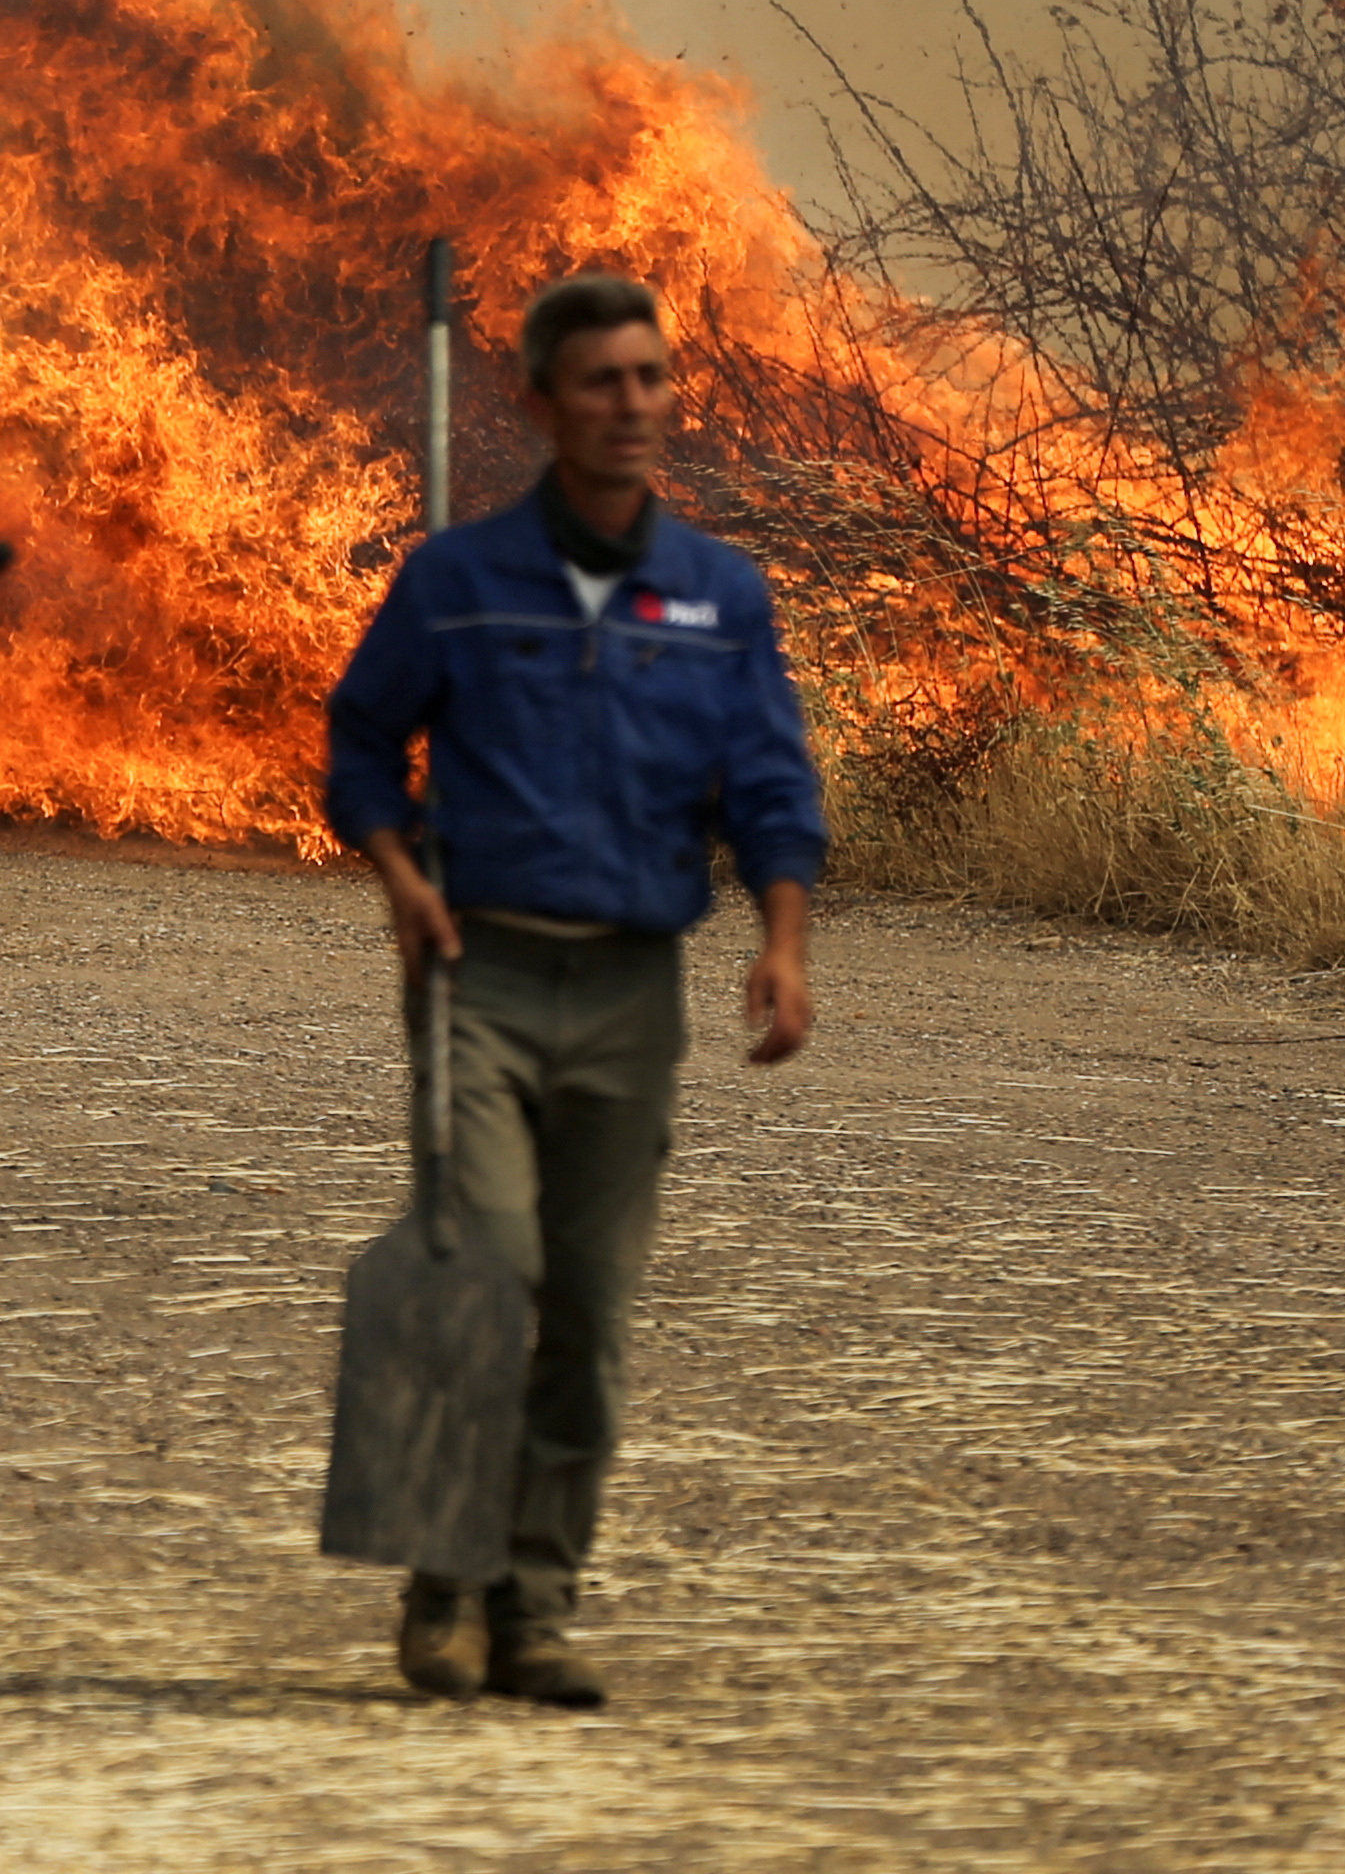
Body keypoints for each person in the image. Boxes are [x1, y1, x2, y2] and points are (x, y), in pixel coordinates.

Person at [322, 268, 826, 1709]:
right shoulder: (456, 583)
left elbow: (771, 784)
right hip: (479, 974)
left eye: (654, 377)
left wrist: (783, 942)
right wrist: (399, 877)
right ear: (540, 405)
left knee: (591, 1318)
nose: (635, 405)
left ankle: (534, 1608)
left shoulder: (720, 596)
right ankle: (443, 1596)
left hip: (630, 994)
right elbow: (361, 744)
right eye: (603, 381)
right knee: (480, 1268)